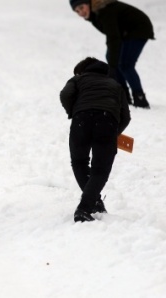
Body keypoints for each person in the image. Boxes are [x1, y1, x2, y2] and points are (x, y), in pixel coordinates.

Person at [60, 57, 130, 222]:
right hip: (107, 122)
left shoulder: (78, 79)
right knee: (100, 169)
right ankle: (88, 205)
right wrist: (114, 132)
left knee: (79, 162)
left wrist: (75, 110)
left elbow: (65, 94)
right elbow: (125, 117)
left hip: (81, 120)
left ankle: (90, 204)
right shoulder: (115, 85)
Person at [69, 0, 154, 109]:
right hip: (125, 33)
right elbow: (113, 37)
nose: (80, 12)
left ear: (88, 3)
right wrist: (112, 65)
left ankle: (140, 99)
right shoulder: (95, 14)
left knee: (125, 65)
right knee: (112, 58)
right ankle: (123, 96)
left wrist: (113, 67)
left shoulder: (104, 11)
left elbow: (113, 37)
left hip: (138, 29)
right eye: (77, 11)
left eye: (81, 7)